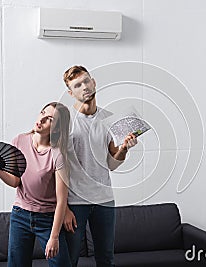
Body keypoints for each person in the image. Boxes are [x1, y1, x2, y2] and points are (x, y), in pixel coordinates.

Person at [62, 65, 137, 267]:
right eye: (77, 85)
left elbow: (112, 163)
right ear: (71, 93)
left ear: (94, 82)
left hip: (104, 200)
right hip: (74, 202)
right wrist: (63, 208)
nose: (84, 87)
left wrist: (124, 149)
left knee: (106, 259)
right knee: (70, 260)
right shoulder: (65, 120)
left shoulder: (109, 119)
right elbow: (55, 166)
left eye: (86, 81)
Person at [0, 102, 72, 267]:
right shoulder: (19, 141)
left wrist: (54, 237)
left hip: (48, 219)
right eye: (42, 113)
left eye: (49, 119)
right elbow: (15, 181)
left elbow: (62, 200)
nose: (41, 119)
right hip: (20, 216)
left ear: (57, 128)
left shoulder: (58, 155)